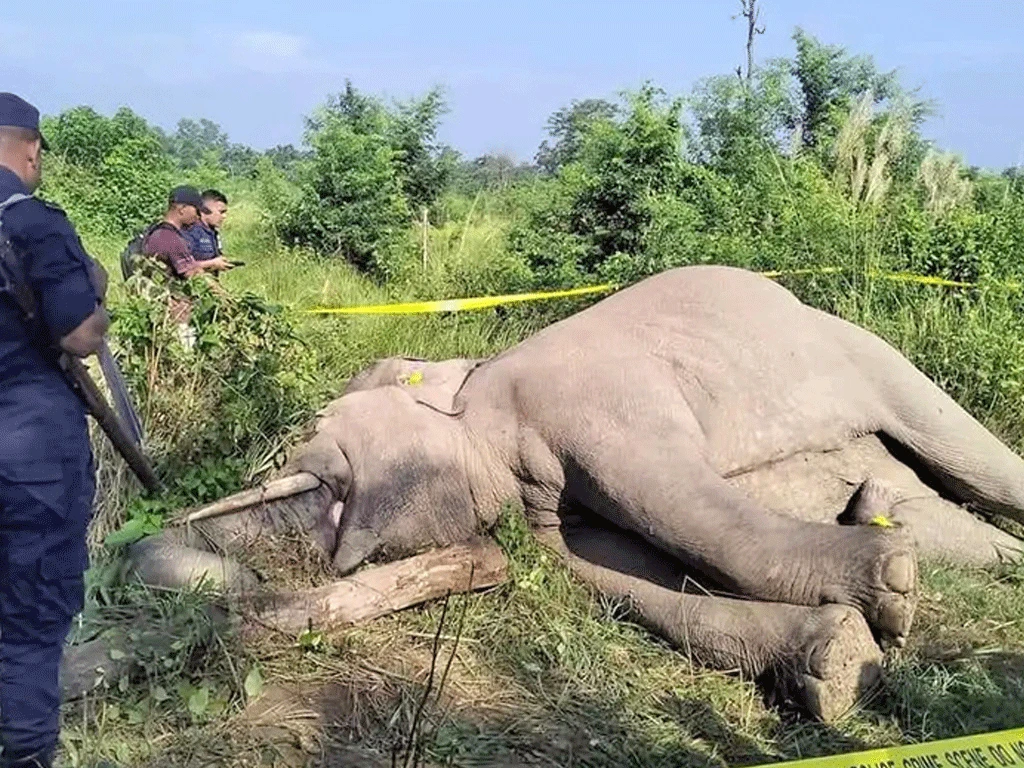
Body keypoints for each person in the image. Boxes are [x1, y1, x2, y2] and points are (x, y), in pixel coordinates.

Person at [0, 93, 109, 768]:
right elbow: (79, 333)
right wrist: (95, 297)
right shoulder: (30, 222)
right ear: (31, 150)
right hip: (28, 450)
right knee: (32, 618)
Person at [142, 186, 230, 279]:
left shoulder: (159, 232)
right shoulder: (170, 238)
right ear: (182, 209)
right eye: (197, 210)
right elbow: (193, 275)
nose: (198, 215)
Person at [183, 189, 228, 262]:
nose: (224, 216)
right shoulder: (189, 233)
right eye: (221, 212)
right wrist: (212, 264)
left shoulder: (213, 233)